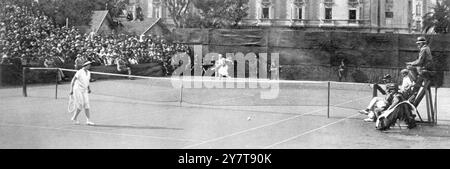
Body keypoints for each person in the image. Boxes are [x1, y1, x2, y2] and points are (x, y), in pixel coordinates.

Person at [69, 61, 95, 126]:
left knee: (87, 104)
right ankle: (74, 118)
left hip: (85, 90)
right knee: (80, 104)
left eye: (90, 65)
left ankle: (88, 120)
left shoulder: (89, 73)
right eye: (89, 65)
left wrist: (89, 88)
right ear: (85, 65)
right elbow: (73, 80)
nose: (90, 66)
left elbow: (87, 81)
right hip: (77, 89)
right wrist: (71, 89)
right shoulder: (79, 72)